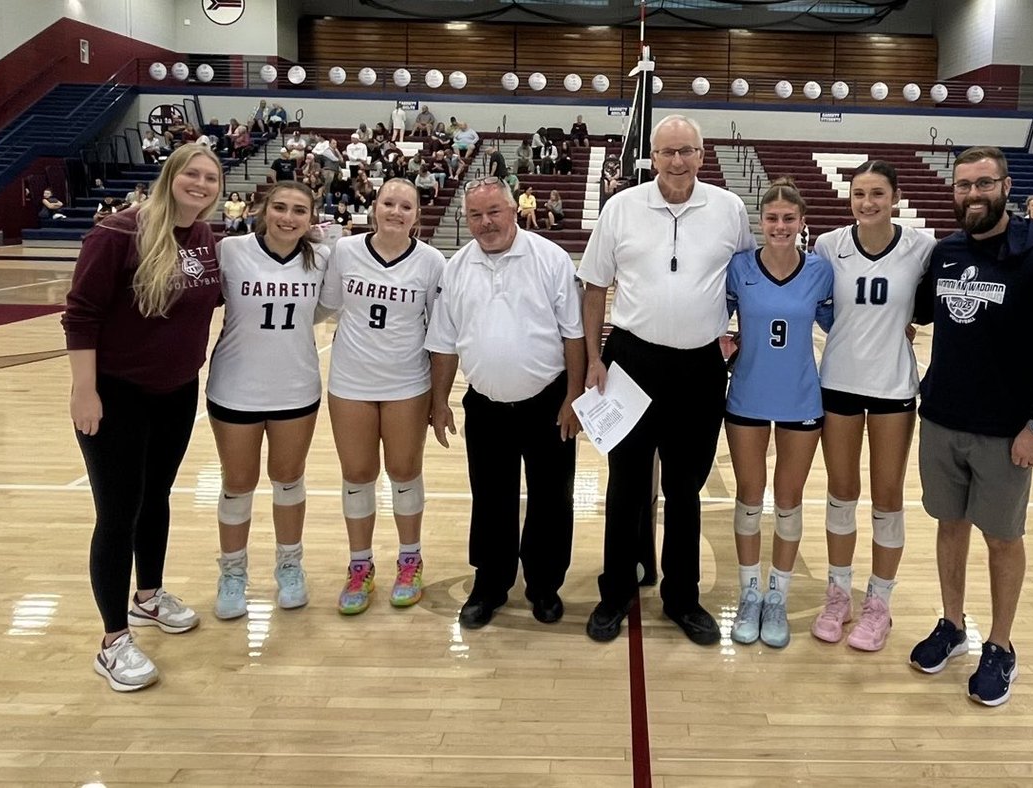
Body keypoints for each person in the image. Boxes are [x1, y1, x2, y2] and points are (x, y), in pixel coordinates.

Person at [909, 145, 1033, 707]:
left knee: (1003, 537)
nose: (973, 194)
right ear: (953, 191)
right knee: (948, 523)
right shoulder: (948, 251)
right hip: (941, 418)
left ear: (1006, 187)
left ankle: (1001, 645)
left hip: (1006, 431)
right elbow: (919, 313)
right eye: (963, 185)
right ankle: (953, 625)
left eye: (984, 184)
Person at [578, 115, 755, 644]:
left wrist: (739, 336)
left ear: (703, 154)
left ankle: (683, 596)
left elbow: (748, 278)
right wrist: (593, 358)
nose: (677, 161)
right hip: (632, 360)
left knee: (685, 488)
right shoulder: (621, 208)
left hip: (701, 365)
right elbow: (593, 288)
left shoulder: (729, 209)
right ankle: (615, 592)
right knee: (626, 485)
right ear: (651, 157)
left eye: (688, 151)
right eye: (667, 152)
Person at [61, 144, 224, 691]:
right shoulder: (117, 234)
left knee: (156, 497)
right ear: (171, 176)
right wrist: (85, 390)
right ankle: (112, 642)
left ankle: (148, 598)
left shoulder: (203, 238)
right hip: (117, 393)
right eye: (192, 174)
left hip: (176, 391)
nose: (201, 184)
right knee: (117, 512)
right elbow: (80, 314)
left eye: (210, 177)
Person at [425, 177, 585, 629]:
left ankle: (544, 585)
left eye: (494, 211)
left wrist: (574, 397)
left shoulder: (550, 259)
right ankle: (490, 585)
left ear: (514, 210)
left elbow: (573, 334)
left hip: (548, 402)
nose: (486, 222)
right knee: (491, 498)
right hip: (485, 406)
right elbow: (443, 344)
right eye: (475, 215)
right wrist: (440, 402)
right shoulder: (455, 268)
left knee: (553, 499)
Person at [809, 160, 936, 652]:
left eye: (877, 193)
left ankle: (878, 604)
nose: (868, 202)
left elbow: (927, 307)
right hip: (838, 381)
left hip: (894, 388)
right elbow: (817, 305)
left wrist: (906, 326)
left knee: (887, 498)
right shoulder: (829, 245)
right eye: (860, 193)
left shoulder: (921, 248)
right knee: (842, 492)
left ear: (896, 197)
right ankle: (838, 595)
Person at [206, 181, 333, 620]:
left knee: (288, 479)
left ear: (310, 219)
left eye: (299, 210)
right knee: (238, 484)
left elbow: (319, 311)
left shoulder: (322, 260)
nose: (288, 217)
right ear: (262, 209)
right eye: (279, 207)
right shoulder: (231, 251)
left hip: (295, 387)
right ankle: (233, 573)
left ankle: (289, 566)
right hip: (235, 386)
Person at [320, 179, 447, 615]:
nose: (396, 211)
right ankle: (360, 564)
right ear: (373, 206)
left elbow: (440, 330)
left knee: (404, 470)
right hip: (351, 381)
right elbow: (326, 307)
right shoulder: (345, 252)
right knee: (357, 473)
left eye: (405, 206)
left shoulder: (432, 262)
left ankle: (410, 559)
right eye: (388, 203)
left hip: (407, 382)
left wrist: (440, 394)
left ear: (417, 214)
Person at [725, 178, 834, 648]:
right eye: (772, 218)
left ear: (802, 223)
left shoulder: (820, 272)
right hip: (747, 397)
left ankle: (777, 598)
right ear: (760, 223)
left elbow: (839, 326)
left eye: (789, 218)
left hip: (800, 400)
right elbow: (715, 323)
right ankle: (749, 592)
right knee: (751, 496)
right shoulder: (738, 268)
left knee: (788, 499)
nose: (781, 226)